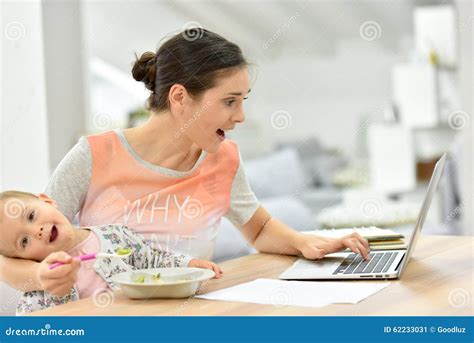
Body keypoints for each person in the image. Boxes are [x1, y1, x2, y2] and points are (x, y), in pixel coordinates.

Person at [0, 28, 370, 298]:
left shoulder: (222, 157)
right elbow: (10, 255)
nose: (240, 116)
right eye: (230, 101)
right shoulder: (93, 156)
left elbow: (258, 230)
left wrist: (309, 243)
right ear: (180, 97)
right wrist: (40, 279)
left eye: (244, 100)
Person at [0, 190, 221, 314]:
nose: (36, 231)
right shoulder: (41, 290)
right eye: (24, 241)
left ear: (47, 201)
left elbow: (153, 260)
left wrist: (189, 264)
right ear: (23, 260)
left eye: (31, 216)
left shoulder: (115, 235)